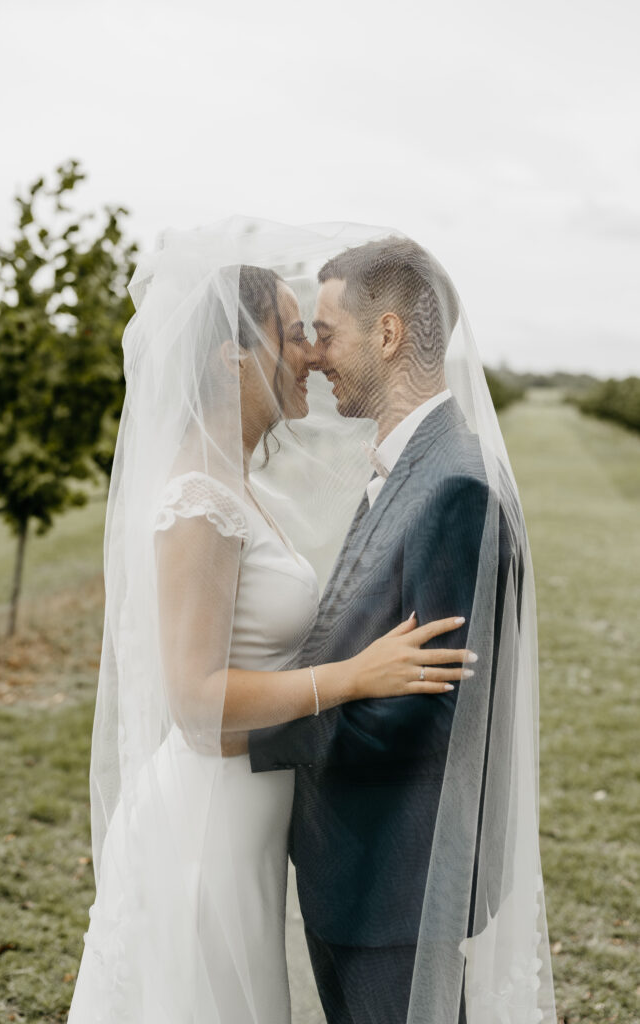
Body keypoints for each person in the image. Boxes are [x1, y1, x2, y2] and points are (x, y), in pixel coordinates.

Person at [67, 242, 473, 1024]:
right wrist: (353, 677)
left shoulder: (234, 484)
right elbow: (193, 702)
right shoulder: (198, 501)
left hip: (247, 817)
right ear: (233, 358)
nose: (310, 353)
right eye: (291, 332)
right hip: (206, 824)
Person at [248, 237, 557, 1024]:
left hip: (395, 877)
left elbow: (434, 708)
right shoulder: (416, 463)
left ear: (385, 335)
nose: (314, 356)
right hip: (357, 866)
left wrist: (252, 725)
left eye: (327, 331)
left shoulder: (452, 484)